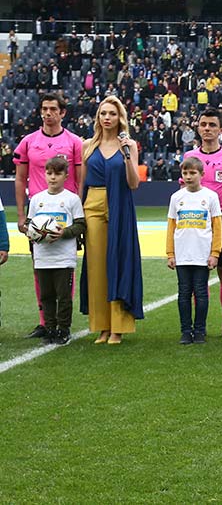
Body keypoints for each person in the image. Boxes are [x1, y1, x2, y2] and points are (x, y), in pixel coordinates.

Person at [14, 91, 83, 340]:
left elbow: (80, 179)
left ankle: (62, 324)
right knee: (40, 268)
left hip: (65, 216)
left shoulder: (74, 142)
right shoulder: (28, 142)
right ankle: (45, 322)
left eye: (53, 109)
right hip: (39, 214)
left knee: (64, 270)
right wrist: (22, 214)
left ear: (62, 112)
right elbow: (20, 178)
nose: (48, 113)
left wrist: (78, 212)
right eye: (44, 109)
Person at [80, 96, 144, 345]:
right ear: (98, 117)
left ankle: (118, 327)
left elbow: (134, 183)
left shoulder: (130, 145)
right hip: (93, 205)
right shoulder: (88, 145)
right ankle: (102, 326)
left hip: (121, 204)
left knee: (119, 260)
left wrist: (127, 155)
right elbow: (82, 184)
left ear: (120, 118)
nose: (107, 118)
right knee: (96, 266)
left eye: (112, 114)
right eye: (103, 113)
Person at [184, 108, 222, 339]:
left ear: (221, 131)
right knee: (197, 272)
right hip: (196, 220)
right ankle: (199, 324)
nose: (207, 129)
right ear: (198, 128)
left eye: (212, 125)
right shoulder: (190, 158)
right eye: (204, 124)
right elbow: (183, 190)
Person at [25, 156, 85, 345]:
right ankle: (49, 328)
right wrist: (32, 234)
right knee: (46, 296)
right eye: (49, 173)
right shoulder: (37, 200)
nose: (53, 177)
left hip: (63, 258)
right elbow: (29, 224)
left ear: (66, 176)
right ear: (44, 174)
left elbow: (81, 225)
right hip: (42, 257)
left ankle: (63, 329)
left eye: (58, 173)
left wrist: (64, 233)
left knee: (64, 296)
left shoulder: (71, 199)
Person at [166, 156, 222, 345]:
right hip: (182, 255)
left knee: (201, 293)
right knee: (183, 293)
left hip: (202, 255)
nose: (189, 177)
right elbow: (171, 227)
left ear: (202, 174)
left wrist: (215, 253)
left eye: (193, 173)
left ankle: (199, 330)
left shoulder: (210, 196)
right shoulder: (176, 197)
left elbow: (217, 228)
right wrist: (170, 254)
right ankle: (185, 330)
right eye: (185, 173)